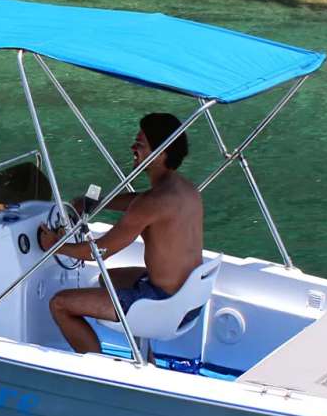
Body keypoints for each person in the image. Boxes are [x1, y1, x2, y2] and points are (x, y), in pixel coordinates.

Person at [37, 112, 205, 355]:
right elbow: (137, 201)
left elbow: (99, 252)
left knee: (60, 303)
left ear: (160, 153)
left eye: (140, 144)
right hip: (190, 297)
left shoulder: (152, 203)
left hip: (162, 303)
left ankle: (96, 371)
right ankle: (146, 359)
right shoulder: (186, 189)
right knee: (107, 280)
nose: (133, 147)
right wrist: (98, 203)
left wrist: (55, 244)